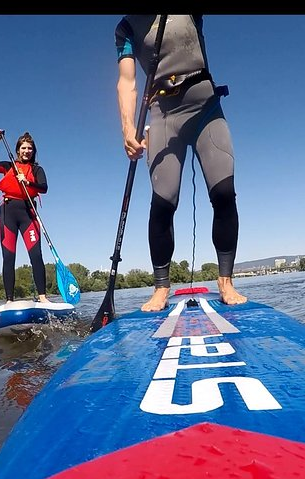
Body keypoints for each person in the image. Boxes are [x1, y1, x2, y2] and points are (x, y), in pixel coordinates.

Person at [115, 14, 248, 311]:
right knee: (163, 202)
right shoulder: (126, 28)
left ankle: (226, 282)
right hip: (164, 115)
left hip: (205, 109)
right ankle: (161, 287)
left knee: (224, 193)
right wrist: (127, 129)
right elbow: (127, 82)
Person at [0, 129, 51, 303]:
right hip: (8, 214)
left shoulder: (37, 169)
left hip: (29, 215)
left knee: (36, 256)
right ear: (18, 150)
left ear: (33, 151)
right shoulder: (8, 166)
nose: (27, 151)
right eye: (24, 148)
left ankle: (43, 298)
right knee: (9, 257)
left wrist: (28, 182)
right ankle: (9, 301)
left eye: (30, 148)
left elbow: (44, 188)